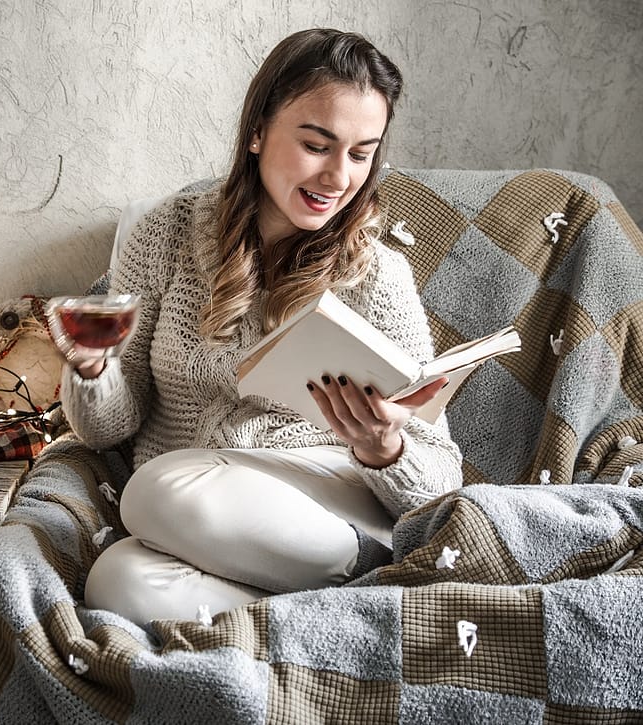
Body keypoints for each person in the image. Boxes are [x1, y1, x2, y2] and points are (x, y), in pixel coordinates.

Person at [59, 28, 463, 627]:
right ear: (257, 131)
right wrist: (92, 367)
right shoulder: (164, 235)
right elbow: (108, 429)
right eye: (317, 145)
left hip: (323, 503)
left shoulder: (378, 275)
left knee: (153, 489)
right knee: (117, 583)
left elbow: (440, 476)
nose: (337, 178)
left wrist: (385, 448)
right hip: (209, 521)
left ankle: (372, 565)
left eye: (360, 154)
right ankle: (343, 609)